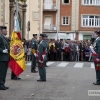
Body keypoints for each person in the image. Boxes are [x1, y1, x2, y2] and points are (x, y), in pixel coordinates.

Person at [0, 26, 10, 90]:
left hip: (6, 57)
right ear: (1, 30)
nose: (6, 31)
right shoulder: (0, 37)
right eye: (5, 30)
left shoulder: (5, 38)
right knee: (1, 72)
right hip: (2, 58)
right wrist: (2, 50)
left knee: (4, 72)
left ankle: (2, 84)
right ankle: (1, 85)